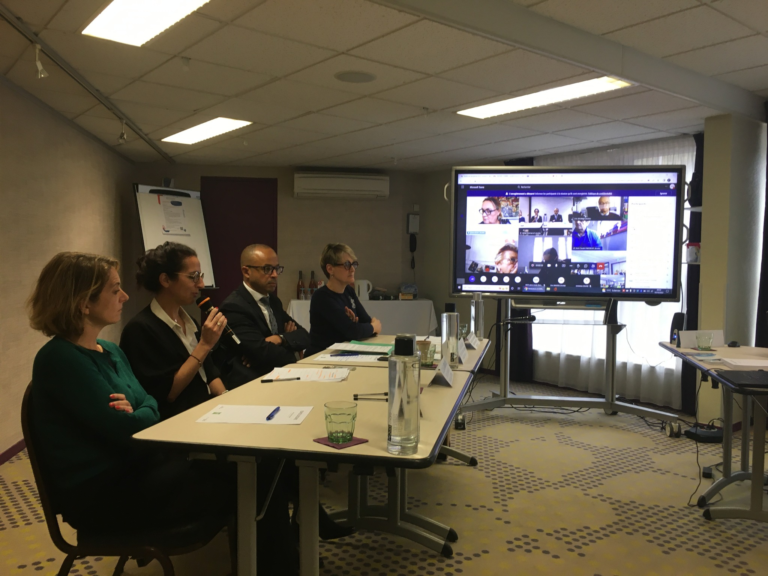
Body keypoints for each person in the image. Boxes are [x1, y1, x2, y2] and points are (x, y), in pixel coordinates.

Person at [27, 252, 298, 574]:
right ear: (84, 302)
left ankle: (276, 564)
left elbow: (148, 403)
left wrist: (139, 408)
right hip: (104, 492)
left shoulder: (109, 350)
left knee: (257, 463)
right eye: (115, 290)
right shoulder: (59, 358)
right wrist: (141, 410)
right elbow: (130, 428)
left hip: (141, 466)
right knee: (252, 472)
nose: (125, 296)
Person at [120, 242, 228, 421]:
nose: (201, 284)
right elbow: (169, 393)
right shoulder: (140, 329)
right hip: (177, 421)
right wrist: (205, 344)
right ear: (165, 280)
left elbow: (209, 373)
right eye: (193, 277)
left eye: (200, 276)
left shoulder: (189, 320)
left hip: (207, 412)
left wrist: (227, 399)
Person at [217, 244, 310, 387]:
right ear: (246, 271)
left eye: (277, 269)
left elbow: (304, 336)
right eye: (267, 269)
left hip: (279, 377)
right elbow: (262, 353)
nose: (274, 275)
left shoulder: (273, 301)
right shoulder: (234, 307)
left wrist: (279, 338)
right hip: (250, 383)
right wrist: (292, 348)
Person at [307, 243, 382, 356]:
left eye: (354, 264)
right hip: (321, 356)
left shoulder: (348, 291)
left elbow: (365, 322)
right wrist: (373, 327)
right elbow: (354, 331)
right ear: (330, 269)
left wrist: (360, 327)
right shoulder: (321, 297)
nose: (352, 269)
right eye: (347, 265)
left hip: (342, 353)